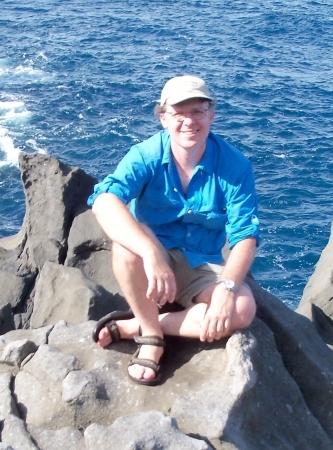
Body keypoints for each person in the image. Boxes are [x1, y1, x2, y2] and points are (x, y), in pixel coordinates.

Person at [87, 75, 260, 386]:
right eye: (179, 113)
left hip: (200, 261)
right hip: (155, 257)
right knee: (126, 246)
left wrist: (227, 288)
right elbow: (103, 200)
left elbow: (245, 236)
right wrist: (151, 253)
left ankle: (137, 324)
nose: (189, 121)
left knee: (242, 309)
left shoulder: (235, 166)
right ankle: (151, 336)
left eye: (198, 111)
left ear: (212, 114)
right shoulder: (146, 155)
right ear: (163, 118)